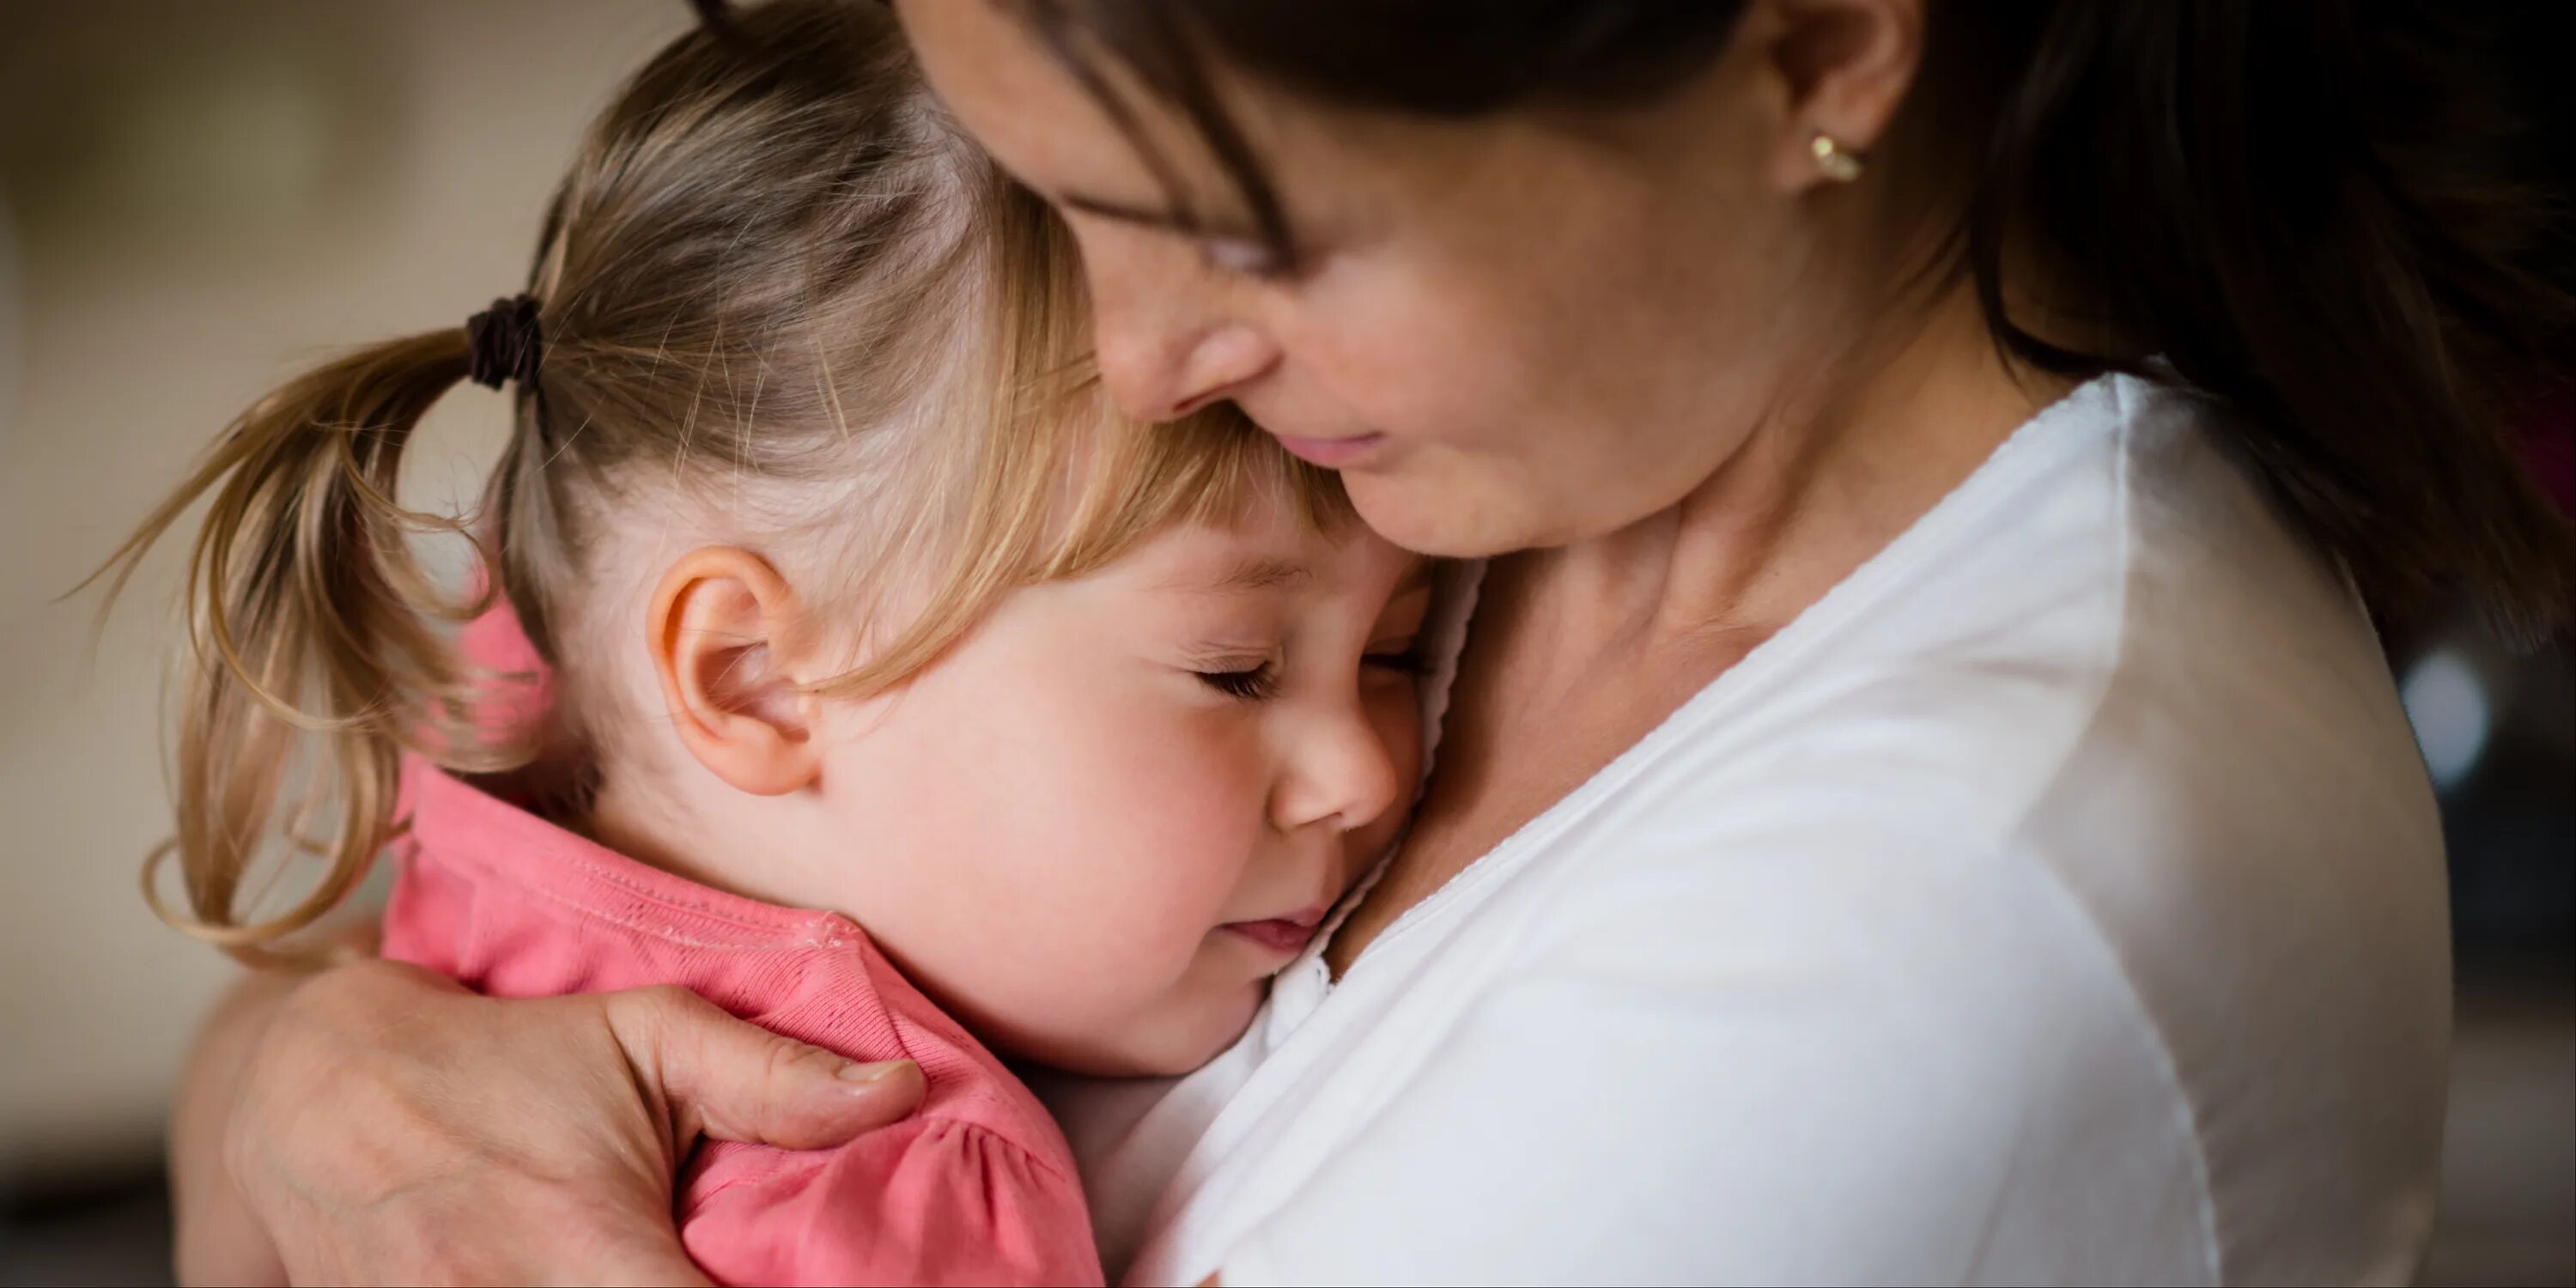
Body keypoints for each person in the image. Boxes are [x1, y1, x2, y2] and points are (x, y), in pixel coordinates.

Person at [166, 0, 2575, 1284]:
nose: (1127, 365)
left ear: (1820, 37)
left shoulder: (1956, 905)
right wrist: (314, 1069)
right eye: (1071, 209)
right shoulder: (1507, 453)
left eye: (1247, 228)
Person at [105, 4, 1433, 1284]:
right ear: (752, 680)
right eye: (1235, 669)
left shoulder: (533, 705)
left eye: (1397, 649)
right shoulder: (880, 1199)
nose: (1367, 771)